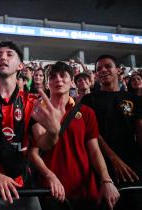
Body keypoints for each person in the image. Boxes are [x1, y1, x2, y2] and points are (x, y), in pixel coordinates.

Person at [30, 61, 119, 210]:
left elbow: (94, 150)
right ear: (47, 83)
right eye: (52, 77)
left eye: (63, 75)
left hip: (85, 191)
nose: (58, 79)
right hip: (50, 191)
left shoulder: (86, 112)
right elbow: (36, 150)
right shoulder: (37, 112)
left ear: (72, 82)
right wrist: (49, 176)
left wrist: (106, 180)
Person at [0, 41, 60, 210]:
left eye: (9, 54)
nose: (3, 57)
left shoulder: (31, 102)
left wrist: (54, 132)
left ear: (20, 66)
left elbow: (43, 142)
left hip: (23, 186)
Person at [81, 55, 142, 210]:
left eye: (107, 66)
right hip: (101, 166)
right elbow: (91, 133)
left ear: (119, 70)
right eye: (99, 69)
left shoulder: (133, 99)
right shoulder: (89, 99)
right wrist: (113, 157)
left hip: (132, 167)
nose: (103, 70)